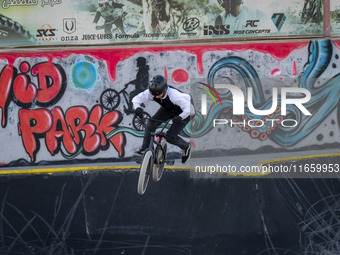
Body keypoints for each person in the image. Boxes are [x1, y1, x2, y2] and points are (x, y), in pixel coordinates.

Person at [132, 75, 195, 164]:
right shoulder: (152, 93)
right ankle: (145, 150)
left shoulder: (175, 96)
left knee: (170, 137)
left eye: (158, 95)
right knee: (150, 124)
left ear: (165, 90)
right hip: (168, 108)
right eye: (154, 95)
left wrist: (180, 117)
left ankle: (186, 146)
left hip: (185, 112)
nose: (156, 97)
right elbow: (136, 99)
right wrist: (137, 108)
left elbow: (189, 109)